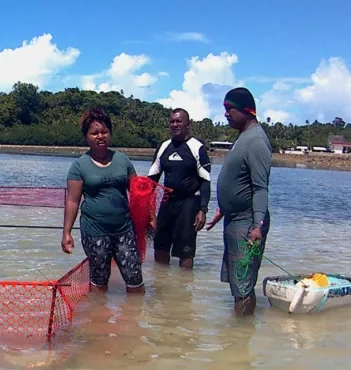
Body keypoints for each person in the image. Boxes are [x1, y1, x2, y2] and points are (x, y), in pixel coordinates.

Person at [61, 107, 154, 294]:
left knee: (135, 281)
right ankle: (100, 320)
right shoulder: (79, 166)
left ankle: (134, 319)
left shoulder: (123, 160)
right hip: (95, 231)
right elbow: (72, 201)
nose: (100, 136)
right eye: (94, 133)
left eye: (104, 131)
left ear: (110, 133)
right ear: (86, 137)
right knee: (99, 282)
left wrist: (151, 218)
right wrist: (66, 233)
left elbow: (139, 193)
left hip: (124, 230)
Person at [205, 87, 272, 316]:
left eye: (229, 108)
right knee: (237, 284)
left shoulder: (256, 141)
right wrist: (223, 209)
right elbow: (240, 181)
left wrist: (257, 226)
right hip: (234, 218)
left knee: (243, 286)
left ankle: (241, 339)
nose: (225, 114)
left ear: (245, 110)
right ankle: (239, 337)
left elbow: (260, 187)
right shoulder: (243, 138)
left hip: (247, 222)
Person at [147, 108, 212, 270]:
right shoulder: (163, 147)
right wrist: (145, 209)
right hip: (167, 202)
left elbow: (205, 181)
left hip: (189, 203)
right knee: (160, 246)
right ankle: (161, 283)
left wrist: (203, 210)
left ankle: (185, 283)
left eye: (179, 121)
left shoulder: (197, 148)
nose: (175, 125)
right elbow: (151, 180)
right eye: (172, 122)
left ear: (188, 124)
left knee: (185, 250)